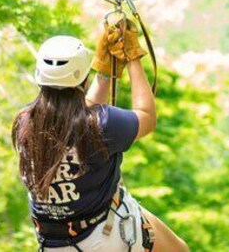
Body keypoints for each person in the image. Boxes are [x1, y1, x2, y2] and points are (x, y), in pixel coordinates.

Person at [12, 19, 189, 252]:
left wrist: (105, 73)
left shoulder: (24, 123)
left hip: (53, 242)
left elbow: (77, 119)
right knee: (179, 250)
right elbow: (147, 116)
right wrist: (133, 57)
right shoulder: (103, 123)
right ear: (82, 78)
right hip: (103, 235)